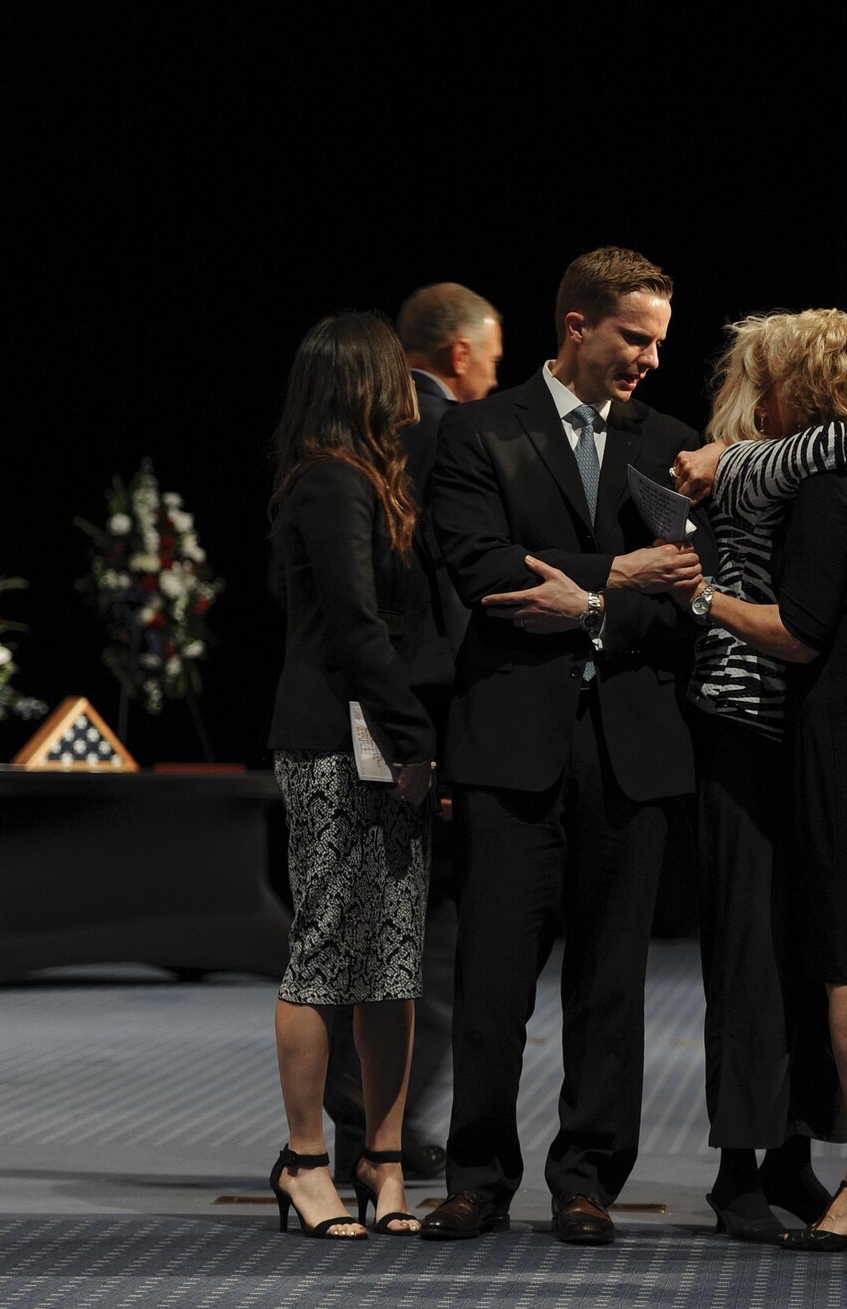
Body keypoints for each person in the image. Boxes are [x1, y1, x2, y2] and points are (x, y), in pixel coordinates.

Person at [424, 247, 705, 1246]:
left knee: (610, 984)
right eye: (634, 337)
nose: (649, 359)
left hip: (631, 749)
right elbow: (482, 571)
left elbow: (684, 603)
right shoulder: (478, 430)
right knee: (492, 981)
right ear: (575, 324)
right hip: (510, 746)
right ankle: (476, 1176)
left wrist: (587, 595)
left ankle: (586, 1179)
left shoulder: (672, 445)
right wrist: (623, 574)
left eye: (658, 342)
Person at [669, 308, 847, 1254]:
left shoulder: (829, 474)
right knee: (827, 959)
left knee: (841, 961)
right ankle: (808, 1160)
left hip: (827, 727)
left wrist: (701, 598)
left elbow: (799, 628)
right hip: (816, 727)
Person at [323, 282, 503, 1184]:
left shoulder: (359, 439)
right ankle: (372, 1126)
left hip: (370, 705)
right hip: (421, 706)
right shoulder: (448, 436)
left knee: (375, 920)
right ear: (461, 354)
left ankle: (367, 1122)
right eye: (497, 358)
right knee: (424, 929)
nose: (498, 374)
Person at [264, 311, 438, 1238]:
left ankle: (384, 1157)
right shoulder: (332, 483)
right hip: (337, 742)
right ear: (365, 382)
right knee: (326, 950)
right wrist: (418, 740)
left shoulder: (368, 479)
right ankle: (303, 1162)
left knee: (393, 958)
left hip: (377, 743)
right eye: (397, 372)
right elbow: (357, 629)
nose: (413, 386)